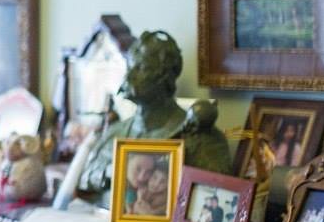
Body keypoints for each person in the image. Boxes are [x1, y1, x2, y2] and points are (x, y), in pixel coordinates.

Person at [77, 31, 232, 205]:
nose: (128, 77)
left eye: (141, 68)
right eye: (130, 67)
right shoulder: (114, 133)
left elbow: (216, 197)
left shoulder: (201, 139)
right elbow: (86, 179)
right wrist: (113, 172)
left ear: (165, 77)